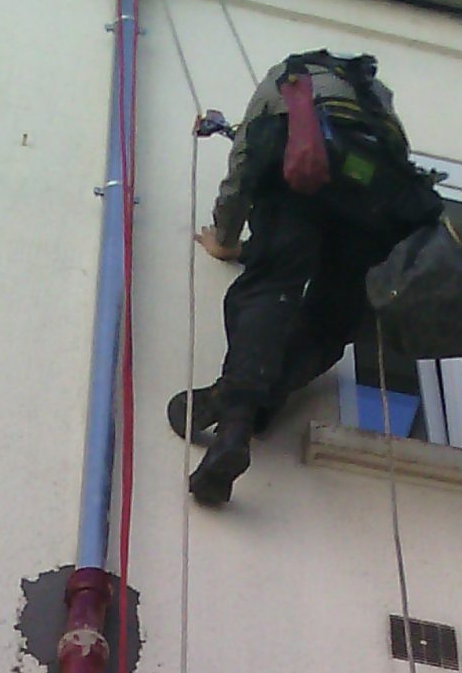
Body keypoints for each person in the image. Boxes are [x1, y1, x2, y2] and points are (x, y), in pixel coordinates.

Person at [173, 51, 443, 506]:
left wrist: (225, 236)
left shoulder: (288, 76)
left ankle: (236, 418)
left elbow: (244, 162)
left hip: (297, 195)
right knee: (332, 321)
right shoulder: (377, 103)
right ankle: (263, 399)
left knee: (268, 288)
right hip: (368, 216)